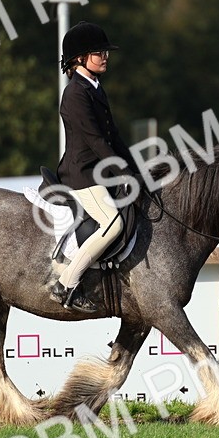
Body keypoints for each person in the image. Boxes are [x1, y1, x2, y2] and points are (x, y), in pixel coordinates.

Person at [52, 21, 135, 313]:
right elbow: (96, 140)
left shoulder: (95, 87)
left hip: (99, 171)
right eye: (99, 52)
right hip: (83, 175)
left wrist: (135, 168)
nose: (105, 56)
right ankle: (66, 283)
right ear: (80, 58)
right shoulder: (75, 93)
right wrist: (121, 173)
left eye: (104, 52)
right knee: (113, 224)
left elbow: (114, 137)